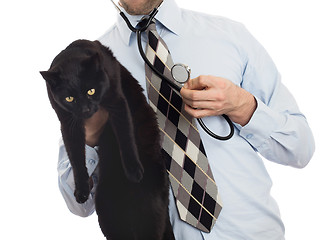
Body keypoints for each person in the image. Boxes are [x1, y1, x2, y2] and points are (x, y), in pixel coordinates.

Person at [57, 0, 315, 239]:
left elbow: (299, 149)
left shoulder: (229, 36)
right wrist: (90, 137)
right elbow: (79, 204)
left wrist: (243, 106)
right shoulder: (86, 67)